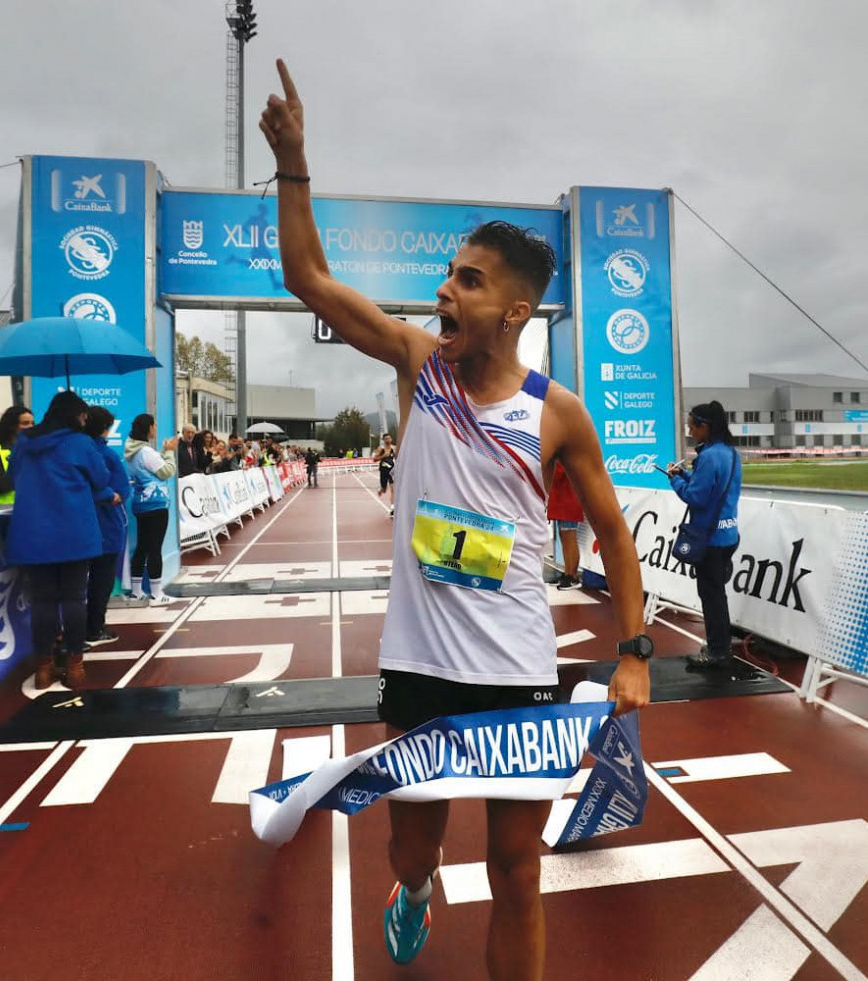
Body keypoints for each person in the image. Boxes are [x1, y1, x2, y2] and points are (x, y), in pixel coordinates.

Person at [259, 60, 650, 979]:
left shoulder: (558, 412)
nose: (445, 290)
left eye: (466, 281)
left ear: (514, 310)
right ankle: (413, 890)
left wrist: (632, 654)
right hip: (420, 666)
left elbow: (615, 534)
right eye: (445, 274)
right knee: (413, 851)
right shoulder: (417, 364)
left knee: (517, 871)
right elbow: (307, 276)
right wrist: (292, 162)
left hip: (516, 667)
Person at [5, 391, 111, 690]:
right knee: (75, 599)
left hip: (32, 533)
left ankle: (43, 669)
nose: (84, 419)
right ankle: (75, 667)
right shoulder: (81, 443)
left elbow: (13, 478)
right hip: (74, 531)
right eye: (82, 415)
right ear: (74, 415)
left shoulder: (25, 442)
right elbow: (100, 480)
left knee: (43, 601)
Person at [668, 401, 742, 669]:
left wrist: (675, 480)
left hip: (709, 539)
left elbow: (696, 497)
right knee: (716, 594)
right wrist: (686, 475)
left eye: (692, 427)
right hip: (728, 534)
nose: (690, 431)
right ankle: (719, 645)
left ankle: (718, 650)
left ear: (704, 427)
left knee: (711, 597)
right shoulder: (730, 453)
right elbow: (714, 489)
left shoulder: (709, 456)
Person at [84, 406, 130, 645]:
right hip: (106, 525)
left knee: (76, 582)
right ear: (106, 428)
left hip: (77, 525)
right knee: (101, 579)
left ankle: (78, 629)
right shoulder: (107, 455)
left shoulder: (72, 452)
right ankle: (94, 627)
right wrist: (108, 495)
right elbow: (122, 489)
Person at [125, 413, 178, 603]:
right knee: (155, 548)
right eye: (154, 425)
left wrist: (163, 452)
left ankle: (136, 591)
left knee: (142, 547)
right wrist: (170, 452)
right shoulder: (146, 451)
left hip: (140, 503)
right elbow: (166, 471)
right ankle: (157, 593)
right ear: (148, 428)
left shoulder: (132, 450)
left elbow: (152, 469)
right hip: (156, 504)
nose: (156, 429)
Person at [0, 406, 35, 512]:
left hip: (27, 515)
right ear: (12, 426)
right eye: (25, 423)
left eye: (32, 423)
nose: (30, 426)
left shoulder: (31, 450)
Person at [546, 462, 584, 590]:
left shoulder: (564, 457)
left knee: (569, 538)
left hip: (568, 501)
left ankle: (572, 576)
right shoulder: (560, 457)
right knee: (565, 538)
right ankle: (568, 573)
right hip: (562, 501)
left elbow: (556, 474)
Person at [374, 432, 396, 516]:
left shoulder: (394, 448)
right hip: (383, 471)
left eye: (389, 438)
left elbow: (397, 457)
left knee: (393, 489)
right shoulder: (380, 448)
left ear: (391, 439)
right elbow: (375, 459)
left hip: (392, 471)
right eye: (386, 439)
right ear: (383, 440)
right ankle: (381, 490)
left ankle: (393, 508)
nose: (388, 440)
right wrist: (383, 456)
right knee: (384, 490)